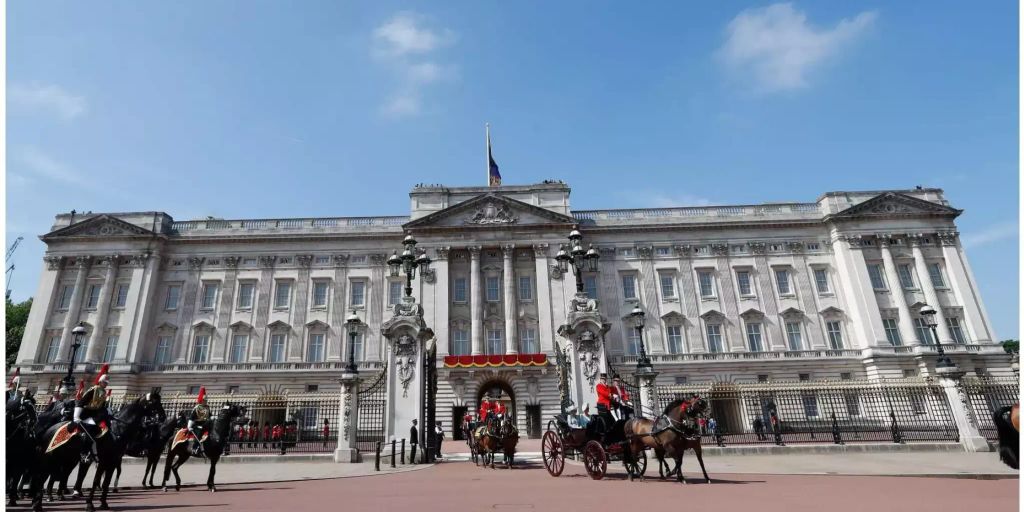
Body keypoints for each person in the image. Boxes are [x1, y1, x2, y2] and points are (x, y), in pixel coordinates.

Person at [74, 364, 111, 464]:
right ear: (100, 382)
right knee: (89, 430)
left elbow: (102, 406)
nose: (106, 384)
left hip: (95, 415)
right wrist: (76, 416)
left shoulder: (103, 393)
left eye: (107, 383)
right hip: (86, 414)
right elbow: (81, 402)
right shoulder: (93, 390)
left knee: (104, 429)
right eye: (104, 382)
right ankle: (83, 452)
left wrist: (108, 413)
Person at [188, 387, 211, 457]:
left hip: (205, 424)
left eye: (206, 401)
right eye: (205, 400)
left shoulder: (207, 407)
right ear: (202, 400)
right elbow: (192, 417)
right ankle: (195, 448)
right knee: (199, 432)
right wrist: (189, 426)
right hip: (197, 424)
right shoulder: (197, 408)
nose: (206, 402)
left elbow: (210, 415)